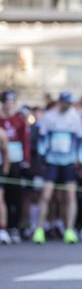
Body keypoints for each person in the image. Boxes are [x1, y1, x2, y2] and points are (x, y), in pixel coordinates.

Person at [34, 91, 82, 244]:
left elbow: (80, 141)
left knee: (70, 196)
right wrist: (42, 156)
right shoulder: (49, 116)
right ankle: (39, 229)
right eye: (67, 102)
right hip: (52, 161)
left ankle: (69, 230)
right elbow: (42, 139)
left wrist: (80, 161)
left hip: (69, 162)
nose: (69, 105)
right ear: (61, 102)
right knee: (46, 195)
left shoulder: (75, 116)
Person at [0, 91, 31, 244]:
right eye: (7, 101)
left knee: (16, 195)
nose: (9, 104)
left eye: (12, 101)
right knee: (2, 195)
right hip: (2, 161)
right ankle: (4, 227)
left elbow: (25, 140)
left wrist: (26, 160)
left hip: (16, 161)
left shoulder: (19, 119)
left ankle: (15, 227)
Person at [0, 125, 11, 244]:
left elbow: (6, 152)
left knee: (0, 199)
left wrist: (5, 170)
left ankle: (3, 229)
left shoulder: (1, 133)